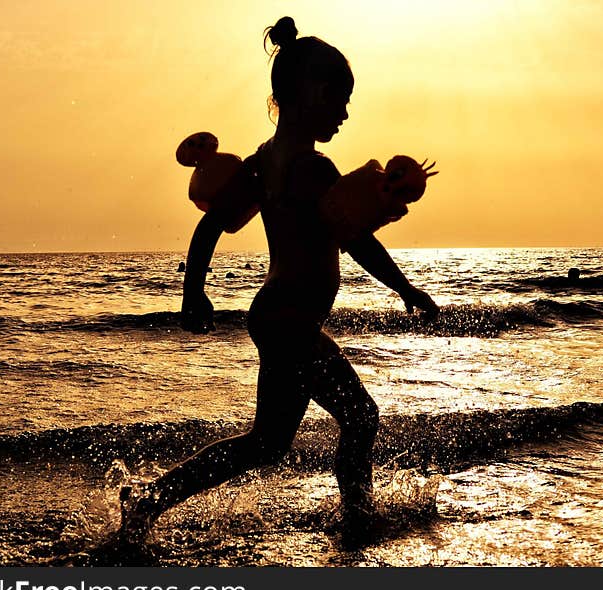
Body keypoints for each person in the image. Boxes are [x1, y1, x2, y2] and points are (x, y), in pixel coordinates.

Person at [119, 16, 439, 545]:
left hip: (279, 316)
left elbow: (209, 225)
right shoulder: (313, 169)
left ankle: (154, 498)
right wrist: (404, 288)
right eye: (341, 99)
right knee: (356, 418)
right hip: (289, 319)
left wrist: (193, 288)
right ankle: (357, 519)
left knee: (270, 441)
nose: (344, 112)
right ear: (313, 92)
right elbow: (355, 237)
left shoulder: (262, 163)